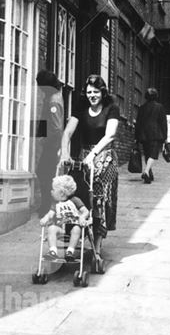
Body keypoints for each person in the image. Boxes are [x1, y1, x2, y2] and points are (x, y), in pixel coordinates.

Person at [59, 74, 119, 255]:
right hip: (84, 154)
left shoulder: (111, 108)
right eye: (89, 92)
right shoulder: (82, 106)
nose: (92, 95)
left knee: (99, 191)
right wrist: (65, 152)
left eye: (96, 92)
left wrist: (93, 155)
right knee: (74, 187)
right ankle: (74, 231)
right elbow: (68, 132)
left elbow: (110, 135)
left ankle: (98, 243)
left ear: (103, 91)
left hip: (105, 155)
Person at [34, 69, 65, 216]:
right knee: (47, 175)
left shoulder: (53, 100)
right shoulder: (53, 96)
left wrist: (45, 140)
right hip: (52, 144)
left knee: (44, 174)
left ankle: (48, 207)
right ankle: (48, 205)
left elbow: (57, 127)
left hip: (52, 145)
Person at [40, 173, 90, 261]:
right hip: (61, 228)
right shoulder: (55, 203)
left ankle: (70, 251)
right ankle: (53, 251)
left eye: (53, 189)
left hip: (73, 227)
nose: (51, 191)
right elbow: (50, 213)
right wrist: (46, 218)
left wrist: (82, 217)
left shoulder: (75, 200)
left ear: (62, 193)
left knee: (76, 229)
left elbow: (85, 211)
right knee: (51, 228)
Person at [134, 87, 168, 184]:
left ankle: (149, 173)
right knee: (153, 154)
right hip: (156, 134)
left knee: (147, 154)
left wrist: (136, 137)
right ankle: (146, 172)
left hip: (144, 134)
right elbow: (163, 123)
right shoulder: (160, 107)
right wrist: (165, 137)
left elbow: (138, 123)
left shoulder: (142, 107)